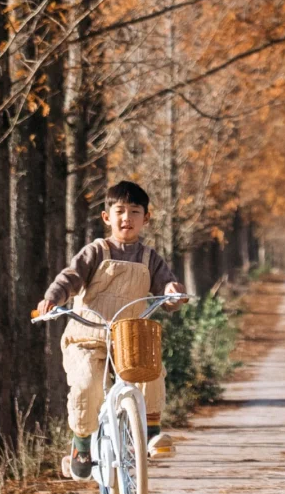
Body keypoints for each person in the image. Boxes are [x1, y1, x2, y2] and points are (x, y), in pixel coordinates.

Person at [36, 180, 183, 478]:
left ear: (146, 218)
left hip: (129, 339)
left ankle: (152, 432)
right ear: (107, 217)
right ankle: (81, 445)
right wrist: (53, 298)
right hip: (87, 336)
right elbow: (70, 278)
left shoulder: (150, 258)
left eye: (135, 211)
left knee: (151, 370)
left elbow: (166, 287)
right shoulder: (96, 251)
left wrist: (172, 292)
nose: (127, 218)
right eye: (120, 211)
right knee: (87, 384)